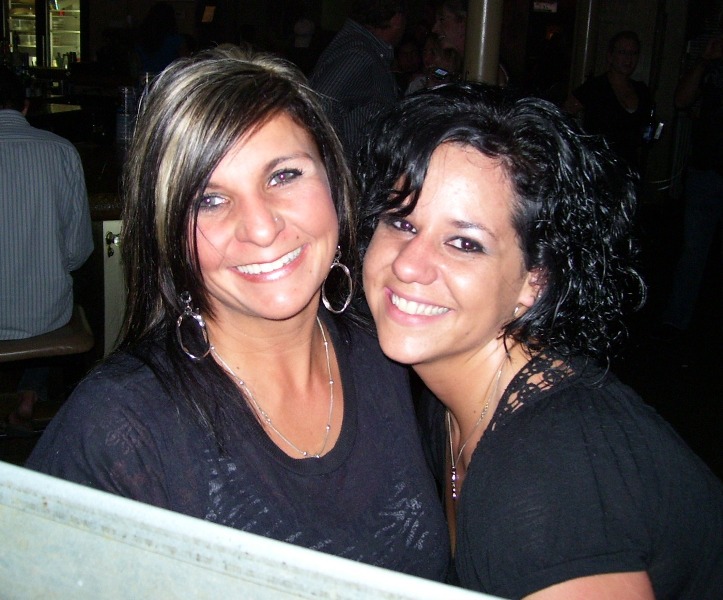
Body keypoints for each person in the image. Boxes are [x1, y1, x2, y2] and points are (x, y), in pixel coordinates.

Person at [26, 46, 450, 579]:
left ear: (334, 179)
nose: (262, 229)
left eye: (284, 176)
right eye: (209, 200)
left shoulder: (394, 352)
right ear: (168, 235)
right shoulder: (120, 430)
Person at [358, 83, 723, 599]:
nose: (409, 265)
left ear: (534, 281)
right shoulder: (452, 398)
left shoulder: (547, 477)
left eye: (464, 243)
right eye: (401, 222)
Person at [0, 66, 94, 419]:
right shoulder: (61, 150)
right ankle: (30, 390)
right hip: (45, 317)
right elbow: (78, 252)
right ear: (25, 106)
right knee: (52, 293)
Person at [655, 28, 723, 340]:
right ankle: (676, 320)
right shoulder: (711, 67)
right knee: (693, 249)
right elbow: (681, 100)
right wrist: (704, 61)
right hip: (706, 169)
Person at [309, 0, 407, 159]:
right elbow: (320, 103)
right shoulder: (360, 54)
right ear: (397, 19)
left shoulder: (363, 47)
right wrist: (342, 163)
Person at [564, 31, 654, 172]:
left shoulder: (641, 91)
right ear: (610, 56)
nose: (628, 58)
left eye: (633, 53)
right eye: (622, 52)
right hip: (599, 167)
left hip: (628, 167)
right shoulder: (595, 87)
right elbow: (565, 113)